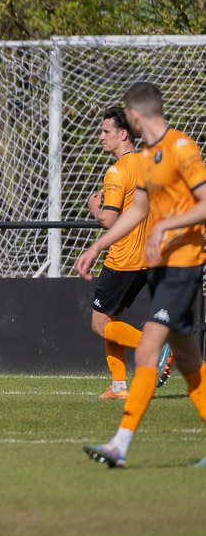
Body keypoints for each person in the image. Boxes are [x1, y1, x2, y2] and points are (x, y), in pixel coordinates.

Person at [75, 82, 206, 468]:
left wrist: (167, 226)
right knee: (189, 362)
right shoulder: (148, 157)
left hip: (183, 265)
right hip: (158, 268)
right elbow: (135, 212)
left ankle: (119, 444)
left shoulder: (182, 148)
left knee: (147, 350)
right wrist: (96, 247)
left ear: (133, 116)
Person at [83, 106, 168, 400]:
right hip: (147, 256)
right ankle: (118, 386)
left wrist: (95, 209)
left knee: (99, 324)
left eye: (106, 131)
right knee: (111, 319)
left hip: (123, 258)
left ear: (122, 135)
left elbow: (109, 220)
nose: (101, 137)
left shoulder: (116, 171)